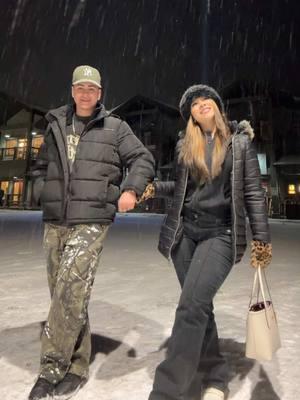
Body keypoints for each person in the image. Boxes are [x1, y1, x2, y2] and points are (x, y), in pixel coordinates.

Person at [29, 65, 155, 400]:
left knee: (70, 290)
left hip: (92, 219)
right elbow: (41, 165)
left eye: (92, 89)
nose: (85, 93)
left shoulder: (115, 127)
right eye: (80, 87)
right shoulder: (56, 122)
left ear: (100, 94)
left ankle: (51, 369)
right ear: (72, 90)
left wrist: (131, 189)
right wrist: (42, 189)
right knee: (66, 295)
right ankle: (78, 364)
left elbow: (142, 159)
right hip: (56, 219)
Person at [141, 84, 272, 400]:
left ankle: (167, 391)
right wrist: (154, 188)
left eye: (207, 100)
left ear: (217, 106)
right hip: (185, 235)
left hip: (221, 235)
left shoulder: (239, 145)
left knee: (191, 305)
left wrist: (262, 240)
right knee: (199, 306)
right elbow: (183, 187)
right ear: (192, 117)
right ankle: (215, 376)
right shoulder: (187, 146)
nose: (202, 105)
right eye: (195, 104)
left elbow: (253, 192)